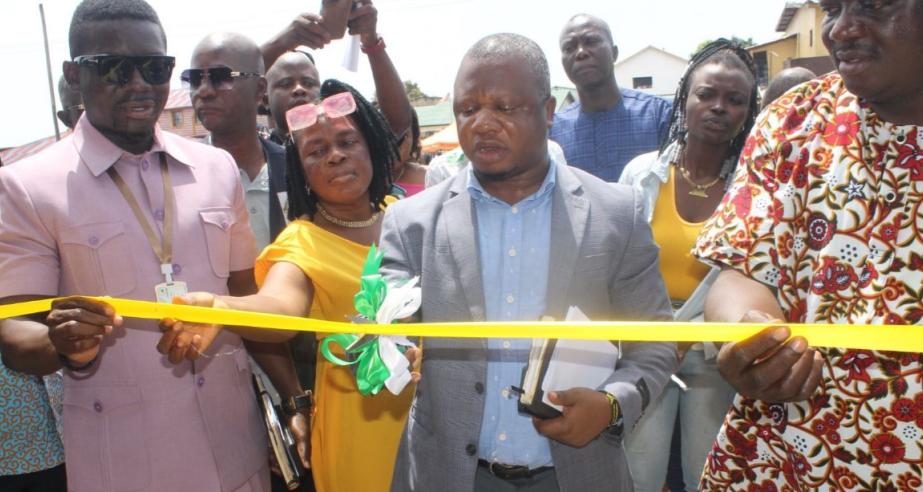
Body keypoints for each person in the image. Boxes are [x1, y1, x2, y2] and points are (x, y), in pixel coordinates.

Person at [380, 33, 678, 492]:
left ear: (547, 111)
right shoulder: (410, 222)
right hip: (452, 476)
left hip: (575, 475)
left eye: (505, 108)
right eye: (467, 109)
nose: (482, 123)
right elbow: (388, 329)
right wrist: (385, 349)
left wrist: (611, 404)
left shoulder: (617, 213)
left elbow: (656, 344)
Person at [0, 1, 271, 490]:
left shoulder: (216, 169)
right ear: (74, 75)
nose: (140, 82)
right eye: (114, 68)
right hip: (122, 464)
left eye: (155, 67)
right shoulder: (28, 186)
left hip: (237, 451)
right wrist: (61, 342)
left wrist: (291, 398)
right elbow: (16, 333)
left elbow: (248, 301)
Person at [694, 0, 923, 489]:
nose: (842, 29)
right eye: (833, 8)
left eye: (874, 6)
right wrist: (749, 334)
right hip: (791, 457)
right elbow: (739, 271)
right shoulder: (794, 121)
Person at [165, 79, 412, 492]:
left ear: (370, 145)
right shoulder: (301, 242)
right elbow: (280, 306)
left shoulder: (409, 218)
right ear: (300, 170)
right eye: (316, 151)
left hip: (437, 424)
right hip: (360, 426)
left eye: (348, 141)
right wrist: (221, 309)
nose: (335, 156)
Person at [618, 39, 761, 492]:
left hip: (713, 357)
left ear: (746, 112)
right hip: (644, 347)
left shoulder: (755, 189)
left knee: (710, 475)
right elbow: (615, 264)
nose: (718, 107)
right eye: (707, 94)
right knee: (635, 474)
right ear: (685, 98)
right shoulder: (640, 176)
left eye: (734, 100)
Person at [186, 32, 315, 491]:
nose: (203, 90)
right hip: (217, 378)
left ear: (260, 91)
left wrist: (298, 398)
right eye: (194, 78)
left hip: (303, 373)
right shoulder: (178, 183)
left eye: (220, 77)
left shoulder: (304, 169)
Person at [263, 1, 411, 146]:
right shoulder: (255, 152)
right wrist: (283, 41)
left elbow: (396, 124)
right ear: (264, 99)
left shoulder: (345, 141)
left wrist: (371, 41)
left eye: (309, 83)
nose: (299, 89)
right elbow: (242, 76)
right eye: (285, 84)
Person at [551, 14, 672, 182]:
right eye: (569, 48)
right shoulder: (553, 131)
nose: (580, 52)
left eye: (591, 41)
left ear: (614, 53)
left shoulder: (660, 115)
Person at [390, 109, 427, 198]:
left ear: (414, 137)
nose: (393, 142)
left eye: (402, 135)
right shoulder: (358, 182)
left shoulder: (433, 178)